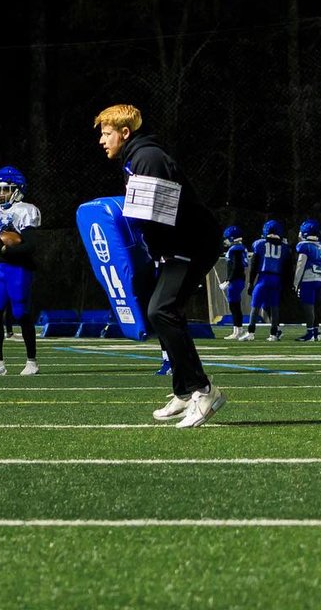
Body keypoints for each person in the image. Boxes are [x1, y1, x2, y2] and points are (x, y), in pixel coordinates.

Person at [95, 104, 226, 427]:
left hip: (191, 242)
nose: (102, 140)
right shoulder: (137, 158)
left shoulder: (147, 158)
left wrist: (156, 251)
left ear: (125, 133)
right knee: (165, 312)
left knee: (161, 310)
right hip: (179, 243)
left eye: (107, 133)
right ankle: (184, 391)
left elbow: (152, 217)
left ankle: (203, 390)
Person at [0, 166, 41, 376]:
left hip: (19, 269)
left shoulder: (26, 210)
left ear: (18, 189)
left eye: (5, 189)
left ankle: (31, 361)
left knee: (21, 314)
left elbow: (30, 245)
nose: (1, 193)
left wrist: (7, 250)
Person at [242, 220, 291, 341]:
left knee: (255, 305)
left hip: (263, 278)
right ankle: (274, 334)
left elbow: (254, 265)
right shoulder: (285, 247)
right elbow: (288, 268)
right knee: (274, 306)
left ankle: (251, 332)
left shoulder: (259, 244)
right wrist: (286, 285)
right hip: (277, 278)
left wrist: (250, 282)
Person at [292, 219, 321, 342]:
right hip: (319, 279)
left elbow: (300, 265)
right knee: (315, 307)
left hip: (308, 280)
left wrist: (296, 283)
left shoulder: (304, 246)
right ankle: (316, 332)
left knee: (308, 307)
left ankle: (310, 333)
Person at [218, 225, 248, 340]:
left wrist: (228, 280)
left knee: (234, 306)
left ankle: (238, 330)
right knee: (235, 306)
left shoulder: (236, 249)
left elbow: (236, 267)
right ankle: (238, 330)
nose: (226, 241)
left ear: (232, 238)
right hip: (238, 279)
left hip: (235, 280)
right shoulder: (239, 248)